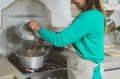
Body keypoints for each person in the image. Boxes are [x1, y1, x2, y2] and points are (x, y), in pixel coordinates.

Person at [28, 0, 106, 79]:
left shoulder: (89, 16)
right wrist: (47, 36)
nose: (72, 1)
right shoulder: (95, 14)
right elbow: (74, 35)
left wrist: (37, 28)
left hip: (88, 73)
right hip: (89, 70)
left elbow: (60, 41)